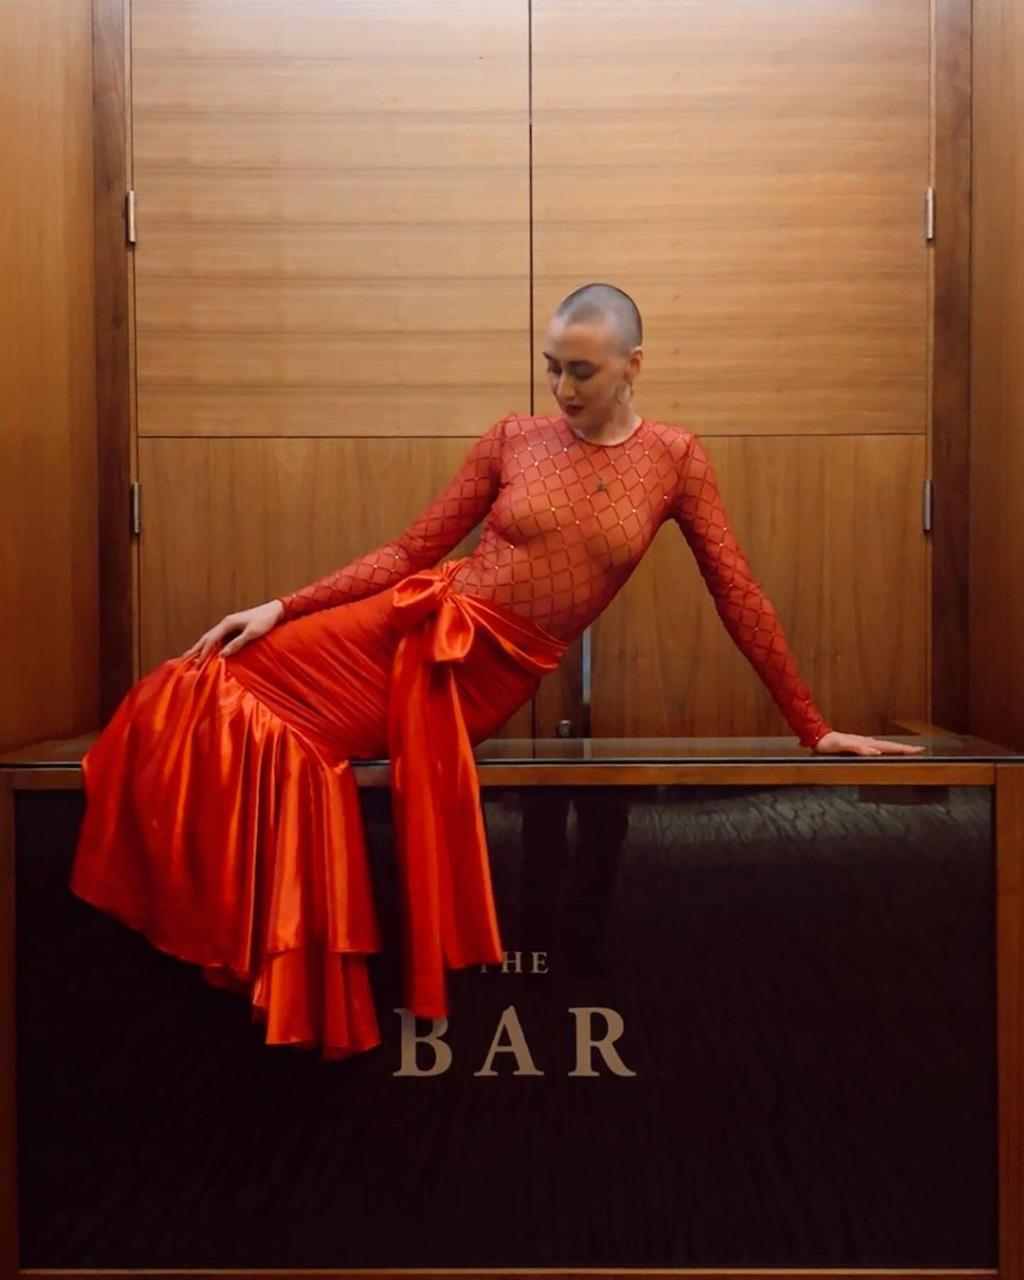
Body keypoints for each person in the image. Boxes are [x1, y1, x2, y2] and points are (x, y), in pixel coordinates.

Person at [70, 283, 925, 1060]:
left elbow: (736, 592)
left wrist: (812, 726)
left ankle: (267, 947)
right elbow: (410, 550)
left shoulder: (675, 458)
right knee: (199, 690)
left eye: (582, 371)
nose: (562, 389)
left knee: (285, 740)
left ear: (634, 365)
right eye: (552, 367)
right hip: (398, 627)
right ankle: (193, 909)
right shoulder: (515, 437)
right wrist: (283, 607)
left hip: (476, 675)